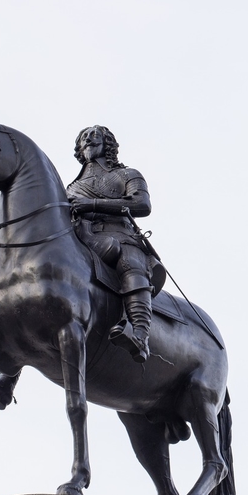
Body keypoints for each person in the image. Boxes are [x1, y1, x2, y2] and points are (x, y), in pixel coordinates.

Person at [67, 125, 157, 363]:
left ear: (107, 143)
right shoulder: (69, 188)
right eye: (83, 137)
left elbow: (141, 205)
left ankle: (139, 335)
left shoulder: (128, 175)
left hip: (119, 236)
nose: (87, 138)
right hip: (80, 238)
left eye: (93, 135)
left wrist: (92, 204)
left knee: (129, 259)